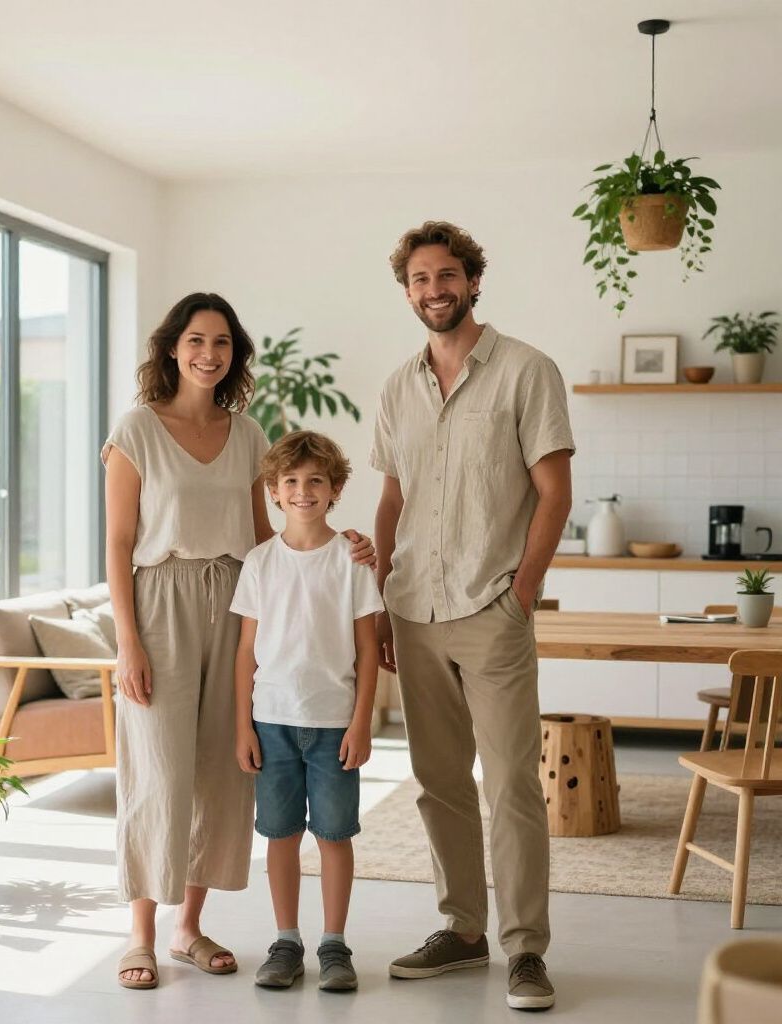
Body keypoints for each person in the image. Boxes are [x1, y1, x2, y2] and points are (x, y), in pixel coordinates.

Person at [104, 294, 373, 989]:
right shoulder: (136, 428)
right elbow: (118, 542)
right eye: (196, 340)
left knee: (222, 776)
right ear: (172, 347)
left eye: (221, 343)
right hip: (158, 601)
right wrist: (127, 642)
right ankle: (139, 935)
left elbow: (271, 539)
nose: (208, 353)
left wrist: (336, 554)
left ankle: (188, 927)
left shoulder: (250, 434)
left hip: (236, 600)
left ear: (234, 355)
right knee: (157, 770)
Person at [371, 222, 574, 1011]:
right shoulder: (397, 387)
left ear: (473, 280)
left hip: (492, 608)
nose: (434, 290)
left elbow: (553, 493)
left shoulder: (526, 371)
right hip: (413, 609)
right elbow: (392, 498)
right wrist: (381, 600)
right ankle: (462, 931)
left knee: (513, 784)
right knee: (439, 781)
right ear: (408, 290)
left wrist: (521, 592)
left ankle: (526, 951)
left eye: (446, 275)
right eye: (419, 279)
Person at [232, 431, 382, 992]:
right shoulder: (260, 562)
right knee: (280, 835)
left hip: (334, 724)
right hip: (270, 722)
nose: (302, 491)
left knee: (335, 835)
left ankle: (335, 945)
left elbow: (368, 647)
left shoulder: (351, 558)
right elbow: (246, 651)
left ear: (335, 489)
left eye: (315, 480)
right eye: (290, 482)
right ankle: (286, 941)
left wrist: (362, 721)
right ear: (273, 491)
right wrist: (242, 724)